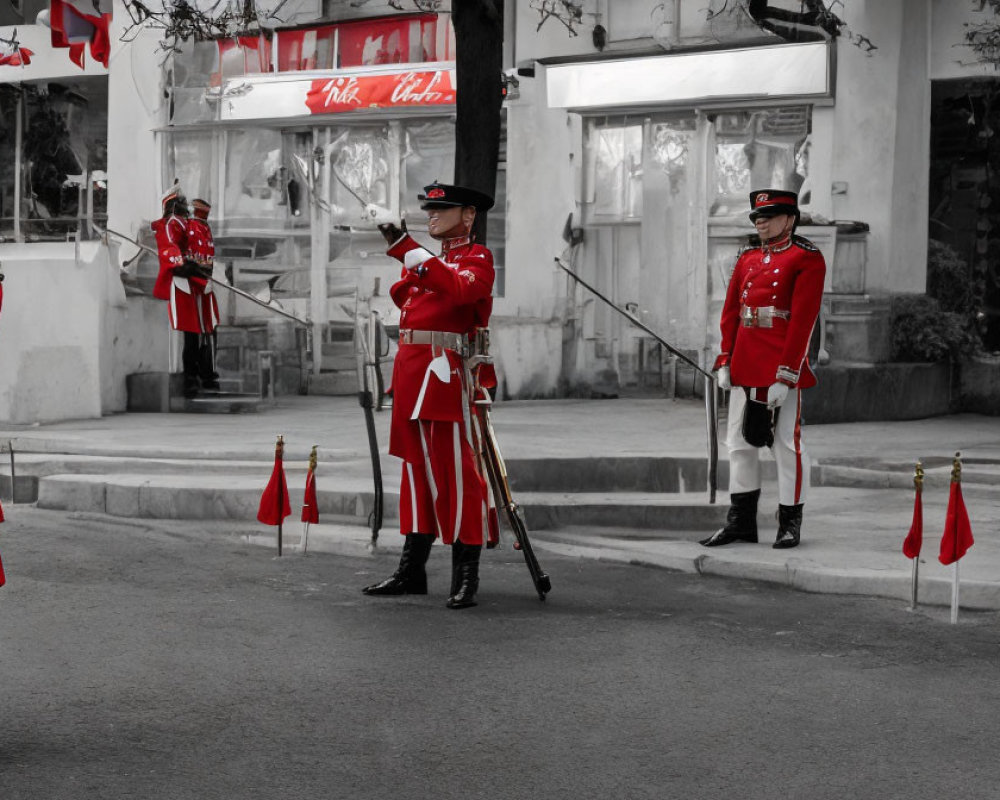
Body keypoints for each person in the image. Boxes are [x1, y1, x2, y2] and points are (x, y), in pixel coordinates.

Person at [362, 181, 498, 609]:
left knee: (456, 473)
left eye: (443, 209)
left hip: (445, 372)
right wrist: (412, 254)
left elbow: (459, 291)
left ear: (469, 215)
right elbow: (406, 296)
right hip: (412, 370)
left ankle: (466, 574)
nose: (431, 215)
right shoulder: (433, 261)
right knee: (416, 473)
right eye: (428, 210)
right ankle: (411, 570)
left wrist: (407, 247)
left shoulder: (478, 258)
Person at [701, 189, 826, 550]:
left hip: (779, 365)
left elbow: (803, 322)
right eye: (757, 217)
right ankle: (740, 523)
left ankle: (789, 523)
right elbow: (730, 314)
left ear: (790, 219)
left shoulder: (807, 258)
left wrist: (787, 374)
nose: (760, 222)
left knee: (786, 445)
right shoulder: (748, 258)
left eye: (769, 216)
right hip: (745, 362)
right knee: (738, 444)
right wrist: (725, 358)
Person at [150, 185, 220, 398]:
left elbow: (202, 247)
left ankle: (207, 374)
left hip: (202, 280)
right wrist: (183, 264)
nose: (185, 205)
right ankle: (191, 378)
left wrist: (202, 267)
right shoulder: (172, 223)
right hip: (186, 281)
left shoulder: (193, 224)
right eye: (180, 202)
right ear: (172, 205)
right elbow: (170, 246)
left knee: (208, 330)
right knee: (192, 333)